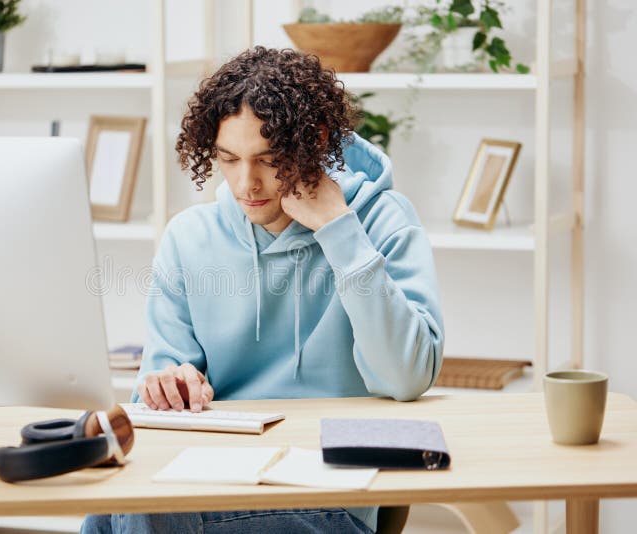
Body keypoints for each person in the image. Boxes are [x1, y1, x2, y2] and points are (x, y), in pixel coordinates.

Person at [82, 46, 444, 534]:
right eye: (228, 159)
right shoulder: (189, 237)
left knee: (144, 514)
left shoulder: (380, 221)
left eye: (269, 160)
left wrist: (339, 230)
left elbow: (406, 377)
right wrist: (168, 383)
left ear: (313, 143)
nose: (245, 183)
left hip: (327, 491)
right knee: (117, 506)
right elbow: (158, 387)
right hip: (214, 474)